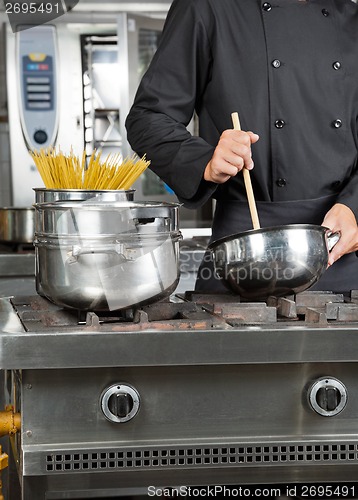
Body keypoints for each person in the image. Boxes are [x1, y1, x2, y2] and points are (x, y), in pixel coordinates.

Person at [125, 0, 358, 294]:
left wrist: (355, 209)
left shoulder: (351, 18)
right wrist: (205, 160)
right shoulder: (207, 7)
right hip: (243, 258)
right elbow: (148, 118)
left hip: (341, 256)